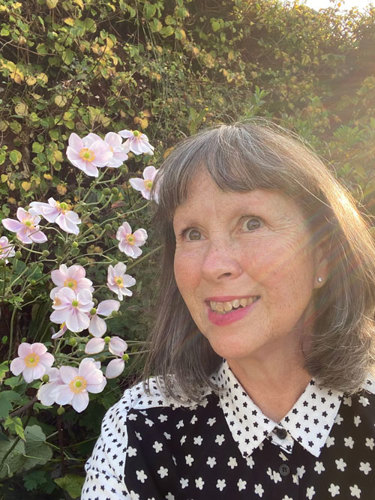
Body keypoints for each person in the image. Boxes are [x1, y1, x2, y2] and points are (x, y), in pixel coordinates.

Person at [82, 121, 375, 499]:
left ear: (323, 256)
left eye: (251, 223)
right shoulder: (142, 427)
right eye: (192, 233)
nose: (213, 265)